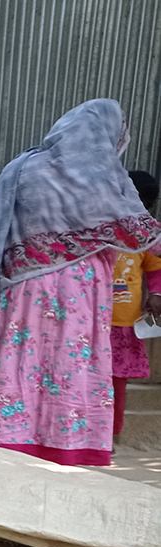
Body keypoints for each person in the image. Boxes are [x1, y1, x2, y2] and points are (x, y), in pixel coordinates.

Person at [0, 100, 161, 467]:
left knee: (21, 360)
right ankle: (65, 447)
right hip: (80, 291)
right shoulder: (103, 174)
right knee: (70, 362)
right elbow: (141, 236)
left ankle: (11, 441)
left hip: (23, 289)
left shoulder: (22, 166)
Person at [112, 171, 161, 436]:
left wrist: (156, 294)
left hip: (123, 322)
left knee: (117, 383)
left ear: (147, 206)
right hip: (89, 319)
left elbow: (157, 269)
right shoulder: (99, 225)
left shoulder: (149, 235)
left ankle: (111, 435)